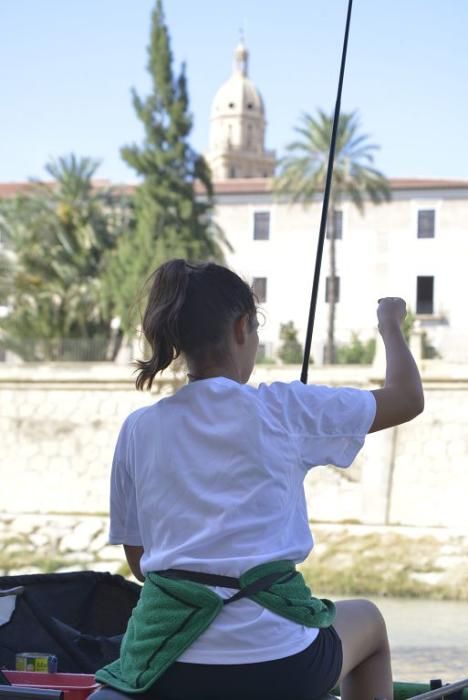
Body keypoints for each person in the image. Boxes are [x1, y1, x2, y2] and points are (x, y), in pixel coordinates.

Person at [92, 259, 424, 700]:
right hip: (282, 667)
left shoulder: (138, 428)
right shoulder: (285, 409)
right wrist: (390, 324)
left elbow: (140, 564)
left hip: (167, 671)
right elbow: (406, 399)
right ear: (242, 328)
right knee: (370, 622)